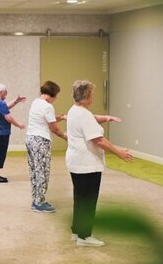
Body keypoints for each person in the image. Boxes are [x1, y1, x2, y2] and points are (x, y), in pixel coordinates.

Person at [65, 80, 134, 246]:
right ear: (88, 96)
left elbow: (92, 119)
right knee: (88, 200)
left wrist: (107, 117)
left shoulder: (74, 110)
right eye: (92, 93)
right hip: (87, 164)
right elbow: (98, 140)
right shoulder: (84, 115)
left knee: (80, 198)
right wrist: (119, 153)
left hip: (76, 162)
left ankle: (77, 231)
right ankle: (85, 236)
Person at [26, 80, 67, 212]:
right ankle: (40, 203)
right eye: (56, 95)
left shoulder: (36, 102)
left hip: (30, 139)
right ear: (51, 94)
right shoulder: (48, 106)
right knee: (43, 170)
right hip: (41, 141)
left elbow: (46, 118)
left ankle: (36, 199)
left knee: (35, 170)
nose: (56, 98)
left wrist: (60, 117)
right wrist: (66, 137)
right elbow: (54, 128)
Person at [0, 84, 26, 182]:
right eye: (5, 92)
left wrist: (16, 101)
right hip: (1, 133)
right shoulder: (0, 103)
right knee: (0, 153)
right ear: (1, 92)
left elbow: (5, 107)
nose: (6, 94)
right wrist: (19, 124)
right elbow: (9, 118)